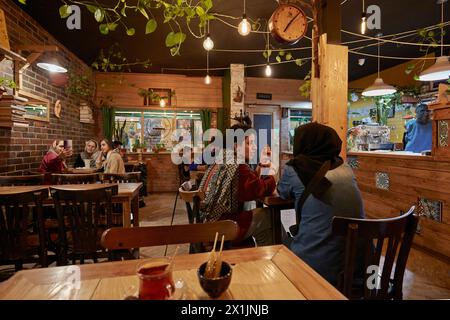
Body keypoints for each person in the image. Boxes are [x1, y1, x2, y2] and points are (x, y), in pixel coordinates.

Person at [277, 122, 365, 286]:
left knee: (281, 240)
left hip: (316, 266)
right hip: (359, 265)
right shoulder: (346, 168)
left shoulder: (294, 169)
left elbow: (281, 193)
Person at [199, 123, 276, 246]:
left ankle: (263, 255)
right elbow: (259, 189)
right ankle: (272, 257)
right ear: (236, 146)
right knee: (268, 216)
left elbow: (249, 182)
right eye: (249, 143)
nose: (255, 147)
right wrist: (271, 174)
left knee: (256, 214)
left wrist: (262, 166)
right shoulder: (236, 165)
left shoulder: (223, 158)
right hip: (220, 227)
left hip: (208, 222)